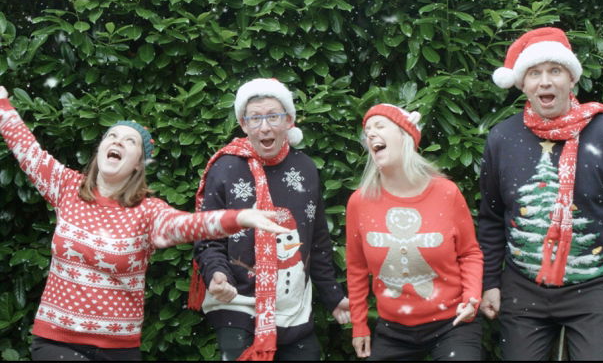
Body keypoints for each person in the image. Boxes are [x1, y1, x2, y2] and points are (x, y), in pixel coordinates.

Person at [0, 85, 288, 361]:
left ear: (138, 163)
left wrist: (238, 217)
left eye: (130, 141)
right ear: (100, 149)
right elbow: (27, 149)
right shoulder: (67, 187)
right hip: (57, 341)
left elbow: (186, 225)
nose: (117, 141)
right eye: (112, 136)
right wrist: (2, 104)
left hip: (119, 349)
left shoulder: (147, 212)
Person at [478, 27, 603, 360]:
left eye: (555, 71)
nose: (545, 82)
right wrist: (490, 283)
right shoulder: (502, 139)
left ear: (572, 78)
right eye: (535, 73)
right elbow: (491, 219)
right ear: (523, 84)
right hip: (523, 286)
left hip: (596, 286)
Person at [190, 78, 350, 361]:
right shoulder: (225, 168)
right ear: (243, 124)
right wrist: (217, 275)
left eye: (273, 116)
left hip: (293, 308)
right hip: (236, 303)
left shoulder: (305, 169)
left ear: (288, 120)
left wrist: (334, 297)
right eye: (255, 118)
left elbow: (317, 242)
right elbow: (208, 238)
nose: (264, 127)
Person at [346, 103, 483, 361]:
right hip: (393, 330)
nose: (371, 134)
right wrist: (359, 324)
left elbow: (469, 253)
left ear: (405, 135)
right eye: (367, 130)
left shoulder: (447, 193)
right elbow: (356, 268)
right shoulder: (359, 202)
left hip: (453, 322)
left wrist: (471, 298)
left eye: (380, 126)